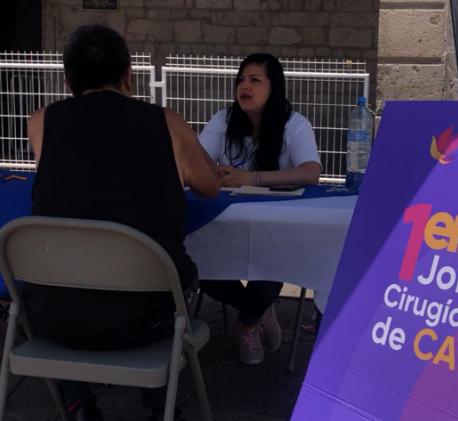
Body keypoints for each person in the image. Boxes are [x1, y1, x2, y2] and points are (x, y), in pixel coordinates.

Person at [25, 25, 219, 421]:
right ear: (129, 75)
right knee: (166, 281)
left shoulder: (42, 122)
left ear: (68, 82)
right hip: (149, 321)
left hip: (56, 319)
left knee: (62, 278)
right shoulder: (167, 122)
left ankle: (78, 404)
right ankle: (159, 405)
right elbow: (209, 186)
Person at [198, 53, 321, 365]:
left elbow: (311, 172)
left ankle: (246, 323)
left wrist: (252, 178)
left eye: (255, 80)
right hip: (225, 226)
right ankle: (256, 311)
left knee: (273, 266)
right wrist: (212, 172)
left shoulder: (293, 124)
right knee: (197, 264)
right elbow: (196, 163)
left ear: (273, 87)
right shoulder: (223, 120)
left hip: (275, 230)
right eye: (241, 80)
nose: (245, 86)